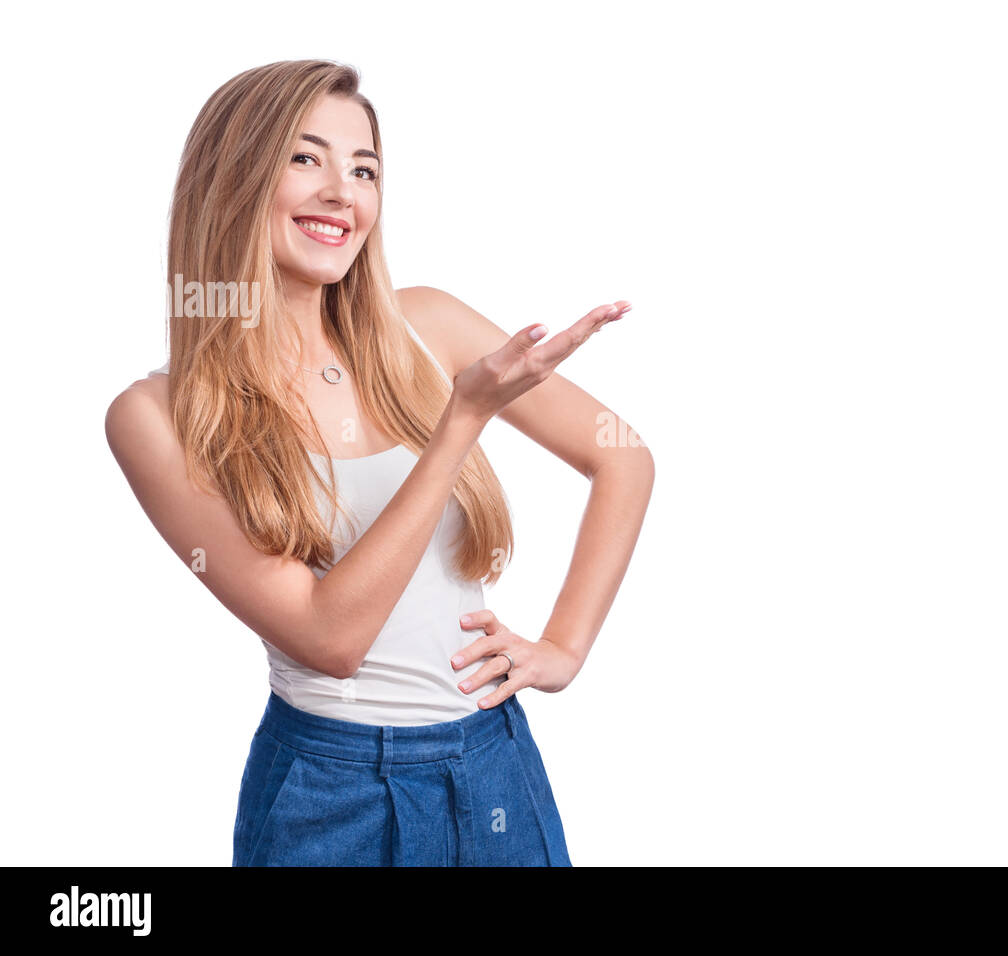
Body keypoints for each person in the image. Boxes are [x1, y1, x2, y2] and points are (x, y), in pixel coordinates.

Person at [103, 59, 654, 866]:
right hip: (330, 794)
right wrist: (462, 420)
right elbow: (331, 640)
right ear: (234, 177)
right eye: (305, 158)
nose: (343, 192)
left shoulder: (428, 326)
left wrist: (564, 649)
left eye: (364, 169)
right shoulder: (156, 416)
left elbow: (624, 458)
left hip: (492, 765)